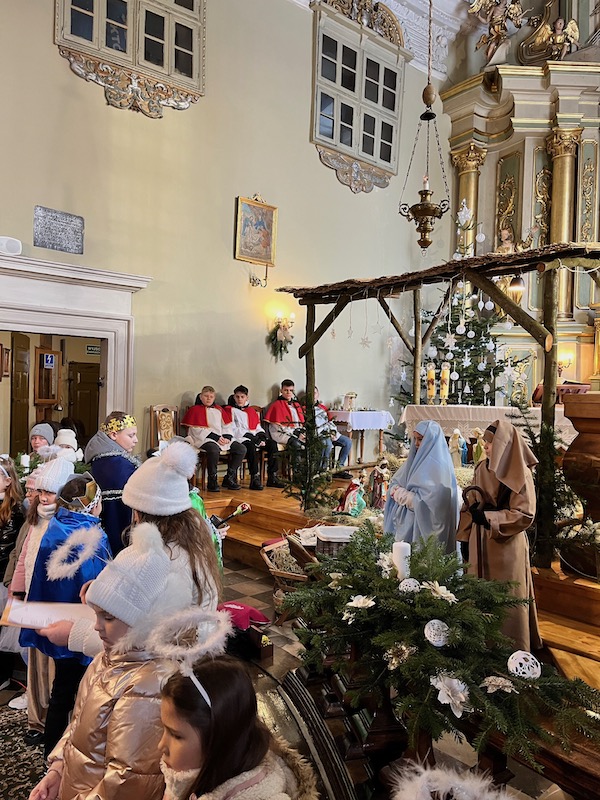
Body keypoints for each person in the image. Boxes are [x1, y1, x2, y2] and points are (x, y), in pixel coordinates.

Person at [28, 527, 228, 800]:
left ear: (142, 623)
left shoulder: (148, 685)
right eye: (97, 615)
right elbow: (78, 726)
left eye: (108, 618)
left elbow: (127, 780)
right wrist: (59, 769)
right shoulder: (107, 659)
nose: (96, 626)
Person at [41, 441, 222, 660]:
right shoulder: (188, 546)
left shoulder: (156, 559)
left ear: (138, 511)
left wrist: (75, 634)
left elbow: (144, 645)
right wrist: (106, 591)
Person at [21, 474, 111, 757]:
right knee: (87, 694)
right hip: (82, 626)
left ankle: (51, 752)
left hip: (56, 620)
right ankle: (76, 755)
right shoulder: (92, 536)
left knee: (61, 689)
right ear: (91, 504)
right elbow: (98, 584)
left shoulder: (56, 526)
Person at [158, 655, 318, 800]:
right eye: (164, 728)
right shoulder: (187, 774)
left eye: (176, 735)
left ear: (221, 739)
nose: (161, 746)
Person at [457, 420, 542, 652]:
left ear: (504, 444)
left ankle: (510, 647)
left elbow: (524, 514)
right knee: (478, 592)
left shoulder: (520, 473)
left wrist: (489, 518)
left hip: (505, 544)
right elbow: (470, 503)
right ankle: (480, 645)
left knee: (507, 595)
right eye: (484, 441)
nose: (484, 446)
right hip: (479, 541)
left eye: (490, 442)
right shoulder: (482, 469)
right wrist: (464, 536)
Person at [10, 456, 74, 747]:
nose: (44, 498)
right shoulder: (35, 520)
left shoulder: (67, 524)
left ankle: (56, 721)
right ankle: (36, 720)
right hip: (33, 599)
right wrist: (17, 591)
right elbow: (24, 556)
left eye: (51, 492)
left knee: (54, 666)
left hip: (56, 602)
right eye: (42, 492)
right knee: (35, 663)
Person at [383, 420, 459, 554]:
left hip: (425, 532)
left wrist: (401, 495)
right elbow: (396, 482)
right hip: (407, 526)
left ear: (431, 440)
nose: (416, 444)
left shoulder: (440, 469)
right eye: (415, 439)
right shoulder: (414, 460)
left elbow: (432, 506)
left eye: (421, 439)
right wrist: (396, 491)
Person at [84, 411, 140, 555]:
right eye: (131, 435)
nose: (136, 440)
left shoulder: (102, 459)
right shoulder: (117, 465)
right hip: (118, 538)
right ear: (114, 435)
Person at [181, 386, 246, 493]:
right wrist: (215, 437)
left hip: (221, 438)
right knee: (214, 450)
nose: (208, 398)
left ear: (214, 397)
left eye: (211, 396)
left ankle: (229, 477)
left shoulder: (219, 409)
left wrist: (227, 437)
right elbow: (196, 429)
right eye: (206, 396)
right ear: (201, 397)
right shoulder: (194, 410)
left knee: (241, 449)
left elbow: (227, 425)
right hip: (203, 438)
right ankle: (212, 479)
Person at [0, 456, 24, 691]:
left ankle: (3, 675)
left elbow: (7, 547)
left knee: (3, 625)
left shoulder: (14, 510)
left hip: (2, 575)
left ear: (8, 481)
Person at [263, 379, 305, 487]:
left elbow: (300, 423)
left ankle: (307, 473)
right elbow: (278, 427)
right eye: (286, 390)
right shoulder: (276, 405)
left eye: (291, 390)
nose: (288, 392)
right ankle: (296, 476)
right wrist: (296, 433)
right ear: (281, 391)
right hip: (280, 434)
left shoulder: (296, 405)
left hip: (296, 433)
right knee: (296, 444)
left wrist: (301, 432)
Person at [227, 384, 268, 491]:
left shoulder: (251, 411)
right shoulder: (231, 410)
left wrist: (261, 436)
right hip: (240, 438)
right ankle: (255, 477)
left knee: (272, 445)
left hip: (253, 436)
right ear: (234, 397)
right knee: (250, 446)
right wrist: (250, 436)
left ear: (247, 397)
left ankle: (273, 476)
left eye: (242, 397)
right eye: (237, 397)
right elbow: (233, 428)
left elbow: (257, 426)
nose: (240, 399)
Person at [313, 387, 352, 478]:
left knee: (347, 442)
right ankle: (323, 471)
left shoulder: (323, 408)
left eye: (315, 393)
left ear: (318, 394)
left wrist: (333, 432)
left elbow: (330, 422)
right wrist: (327, 433)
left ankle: (339, 468)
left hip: (330, 432)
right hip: (320, 434)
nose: (313, 395)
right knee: (328, 444)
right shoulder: (304, 408)